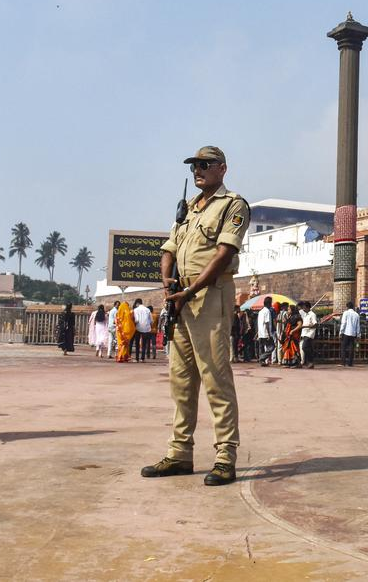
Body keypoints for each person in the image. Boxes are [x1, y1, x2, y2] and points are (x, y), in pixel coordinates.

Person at [141, 145, 250, 487]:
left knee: (216, 377)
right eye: (194, 166)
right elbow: (169, 248)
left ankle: (225, 457)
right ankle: (179, 454)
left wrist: (190, 290)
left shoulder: (233, 205)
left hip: (209, 295)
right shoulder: (188, 209)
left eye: (205, 164)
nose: (198, 170)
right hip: (181, 299)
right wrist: (167, 281)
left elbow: (223, 254)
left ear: (222, 168)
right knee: (181, 380)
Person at [339, 300, 360, 367]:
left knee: (343, 348)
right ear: (353, 307)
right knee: (351, 348)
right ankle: (350, 363)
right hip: (353, 334)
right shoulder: (356, 315)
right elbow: (358, 326)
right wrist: (358, 334)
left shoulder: (346, 313)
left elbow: (343, 323)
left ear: (347, 307)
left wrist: (341, 332)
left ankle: (343, 362)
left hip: (346, 332)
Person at [256, 297, 275, 366]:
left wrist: (258, 333)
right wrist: (269, 334)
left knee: (262, 348)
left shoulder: (260, 311)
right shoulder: (267, 311)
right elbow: (267, 323)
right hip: (265, 333)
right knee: (272, 347)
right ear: (269, 303)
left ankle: (262, 361)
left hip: (261, 333)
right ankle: (262, 358)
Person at [299, 301, 317, 368]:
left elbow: (315, 324)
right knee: (307, 348)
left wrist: (305, 326)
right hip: (304, 333)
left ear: (308, 307)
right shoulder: (306, 315)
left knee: (304, 347)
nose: (303, 309)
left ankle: (310, 361)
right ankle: (309, 362)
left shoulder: (312, 314)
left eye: (304, 308)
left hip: (309, 334)